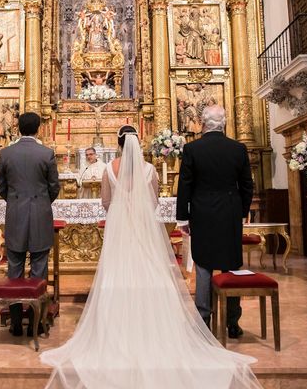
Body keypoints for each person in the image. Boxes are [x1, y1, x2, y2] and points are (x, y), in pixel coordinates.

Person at [40, 125, 261, 389]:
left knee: (117, 273)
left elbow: (106, 202)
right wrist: (140, 211)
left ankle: (115, 329)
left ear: (119, 144)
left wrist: (123, 209)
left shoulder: (109, 169)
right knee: (152, 272)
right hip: (144, 228)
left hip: (119, 227)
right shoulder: (149, 170)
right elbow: (154, 201)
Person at [176, 105, 254, 339]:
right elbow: (247, 185)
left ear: (202, 123)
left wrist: (183, 217)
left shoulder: (192, 148)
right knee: (230, 266)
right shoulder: (238, 149)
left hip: (202, 213)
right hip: (229, 213)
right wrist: (241, 211)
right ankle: (233, 322)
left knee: (203, 267)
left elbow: (185, 185)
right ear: (224, 123)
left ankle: (203, 322)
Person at [0, 112, 60, 336]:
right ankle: (36, 321)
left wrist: (15, 202)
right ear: (38, 129)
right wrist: (41, 202)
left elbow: (1, 187)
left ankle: (15, 323)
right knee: (39, 268)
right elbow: (54, 187)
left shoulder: (6, 153)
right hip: (40, 214)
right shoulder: (46, 153)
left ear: (19, 128)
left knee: (14, 267)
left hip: (15, 214)